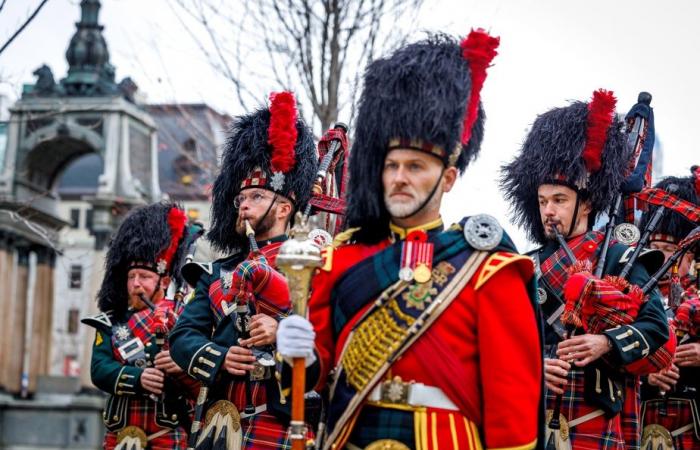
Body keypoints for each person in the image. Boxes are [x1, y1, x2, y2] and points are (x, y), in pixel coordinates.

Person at [277, 30, 543, 450]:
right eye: (392, 165)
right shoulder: (340, 259)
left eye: (416, 166)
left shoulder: (486, 269)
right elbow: (306, 384)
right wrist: (300, 356)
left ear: (448, 177)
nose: (400, 177)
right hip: (352, 434)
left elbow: (513, 404)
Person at [501, 90, 671, 449]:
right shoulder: (523, 265)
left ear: (586, 202)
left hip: (598, 418)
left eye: (559, 200)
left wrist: (605, 342)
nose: (549, 210)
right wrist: (533, 366)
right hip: (534, 415)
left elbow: (657, 329)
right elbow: (502, 341)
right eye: (543, 201)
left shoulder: (619, 258)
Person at [169, 91, 318, 449]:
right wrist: (220, 356)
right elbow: (183, 336)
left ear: (284, 208)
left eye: (255, 198)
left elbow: (324, 332)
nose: (243, 206)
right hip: (219, 422)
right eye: (240, 199)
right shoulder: (217, 272)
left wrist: (280, 330)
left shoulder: (314, 261)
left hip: (281, 418)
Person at [82, 202, 194, 450]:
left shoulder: (183, 318)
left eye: (144, 277)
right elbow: (99, 369)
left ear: (163, 281)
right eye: (131, 277)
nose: (135, 284)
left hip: (168, 432)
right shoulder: (111, 322)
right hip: (121, 435)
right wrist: (138, 378)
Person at [640, 167, 700, 449]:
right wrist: (646, 372)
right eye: (655, 244)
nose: (660, 255)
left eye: (671, 247)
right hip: (641, 427)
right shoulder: (631, 296)